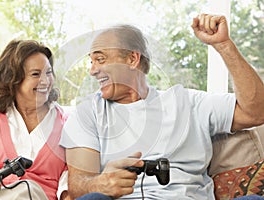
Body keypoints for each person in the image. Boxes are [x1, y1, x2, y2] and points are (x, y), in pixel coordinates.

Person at [59, 13, 264, 199]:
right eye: (91, 62)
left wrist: (224, 45)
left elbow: (256, 113)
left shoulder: (188, 102)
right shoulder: (88, 113)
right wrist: (99, 183)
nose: (92, 70)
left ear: (132, 59)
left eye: (100, 60)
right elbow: (77, 185)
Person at [0, 39, 70, 200]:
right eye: (36, 74)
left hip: (40, 197)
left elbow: (70, 181)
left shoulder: (67, 123)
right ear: (13, 80)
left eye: (48, 73)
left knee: (27, 189)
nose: (46, 81)